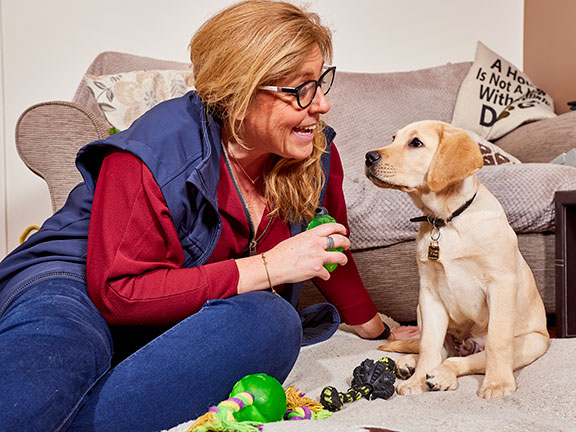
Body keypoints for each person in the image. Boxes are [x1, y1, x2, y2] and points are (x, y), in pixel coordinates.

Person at [0, 1, 388, 431]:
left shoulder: (313, 151)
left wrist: (376, 328)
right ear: (238, 96)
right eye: (299, 89)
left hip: (179, 307)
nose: (322, 105)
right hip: (78, 286)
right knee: (53, 368)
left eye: (319, 82)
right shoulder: (154, 152)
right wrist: (267, 267)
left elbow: (331, 245)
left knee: (273, 321)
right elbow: (119, 292)